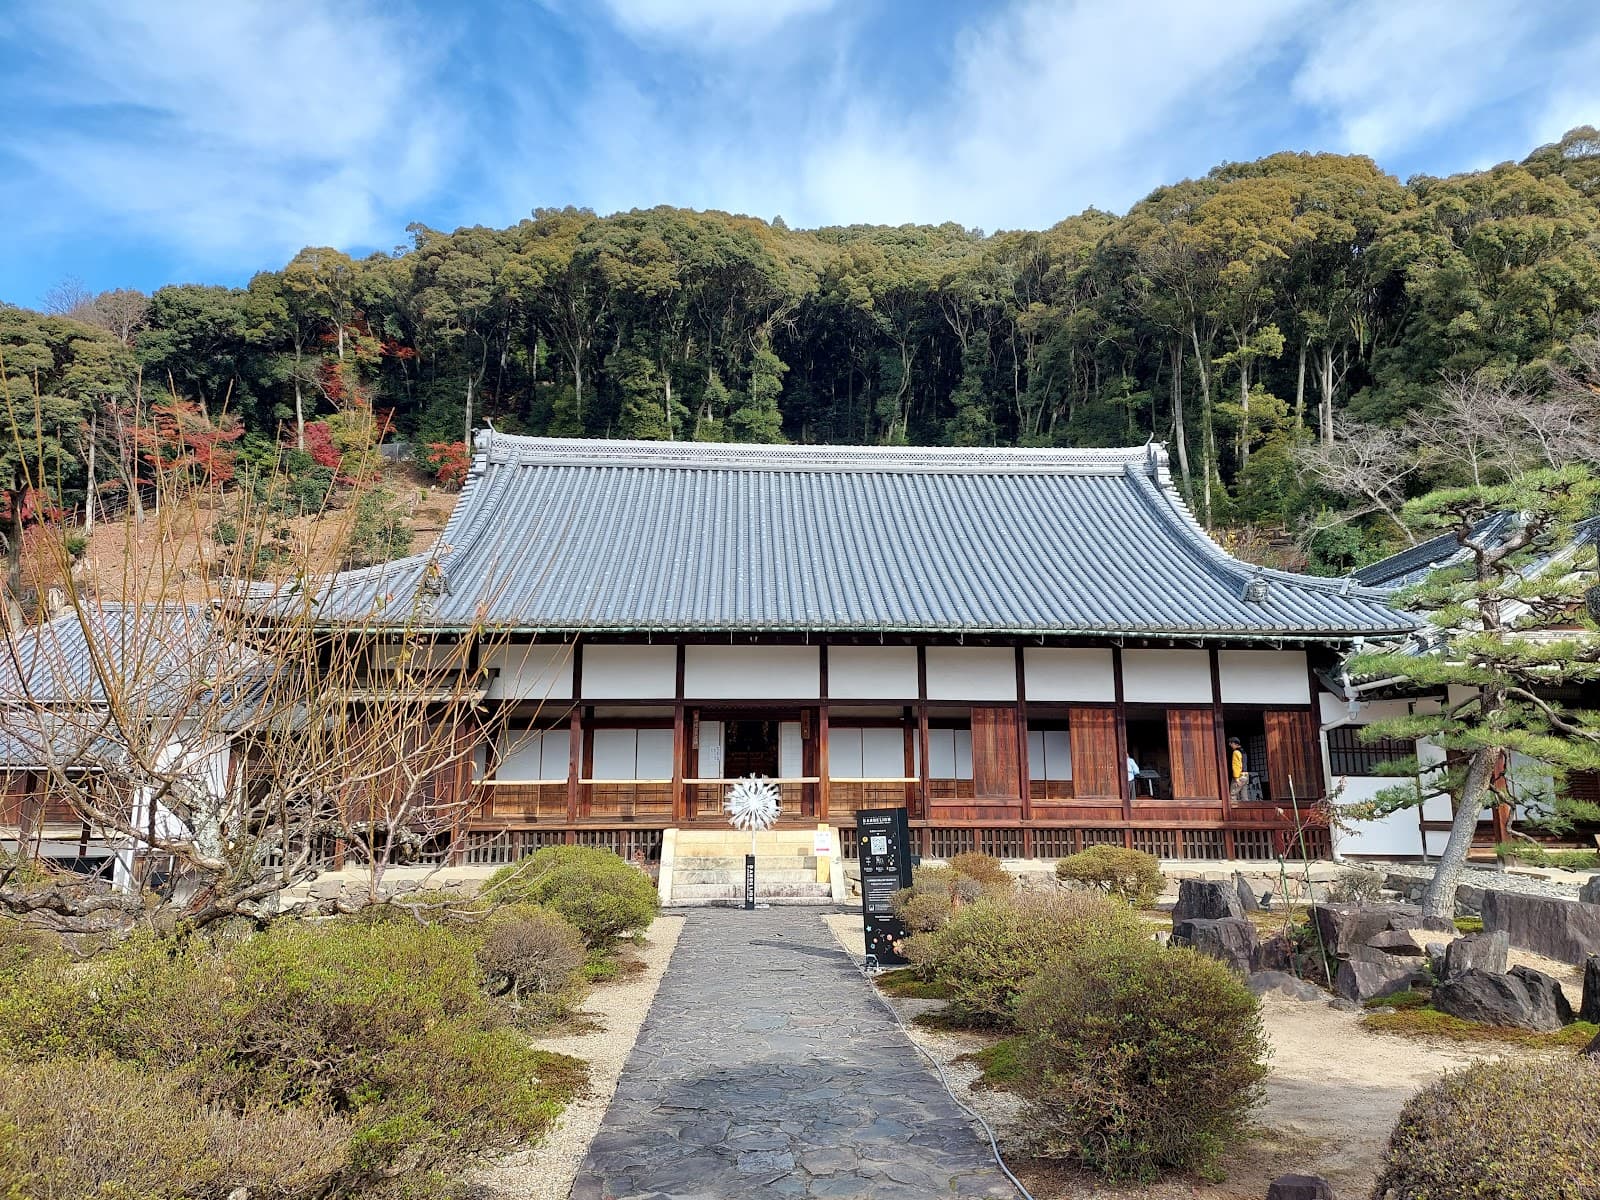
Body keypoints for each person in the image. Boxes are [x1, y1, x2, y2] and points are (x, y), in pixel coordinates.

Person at [1228, 736, 1249, 802]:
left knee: (1232, 795)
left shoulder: (1236, 752)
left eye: (1230, 743)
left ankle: (1232, 812)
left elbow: (1236, 765)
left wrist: (1236, 778)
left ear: (1234, 743)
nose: (1230, 745)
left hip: (1239, 776)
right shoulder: (1243, 752)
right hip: (1245, 775)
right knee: (1244, 797)